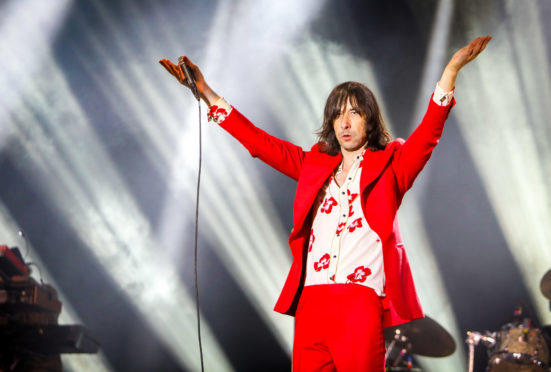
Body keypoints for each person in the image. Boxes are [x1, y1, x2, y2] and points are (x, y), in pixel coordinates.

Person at [160, 35, 491, 371]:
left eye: (355, 113)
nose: (345, 123)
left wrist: (450, 71)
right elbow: (259, 142)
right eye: (338, 115)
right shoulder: (312, 164)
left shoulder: (392, 165)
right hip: (311, 304)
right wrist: (207, 94)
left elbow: (427, 136)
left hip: (359, 301)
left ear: (370, 120)